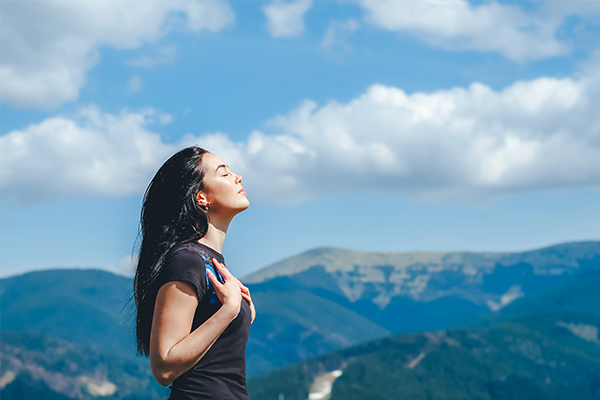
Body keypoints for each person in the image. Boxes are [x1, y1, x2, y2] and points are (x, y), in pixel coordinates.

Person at [133, 146, 255, 400]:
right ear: (202, 198)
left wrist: (243, 314)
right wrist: (229, 311)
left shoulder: (211, 262)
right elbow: (164, 367)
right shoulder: (187, 260)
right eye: (223, 174)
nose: (237, 177)